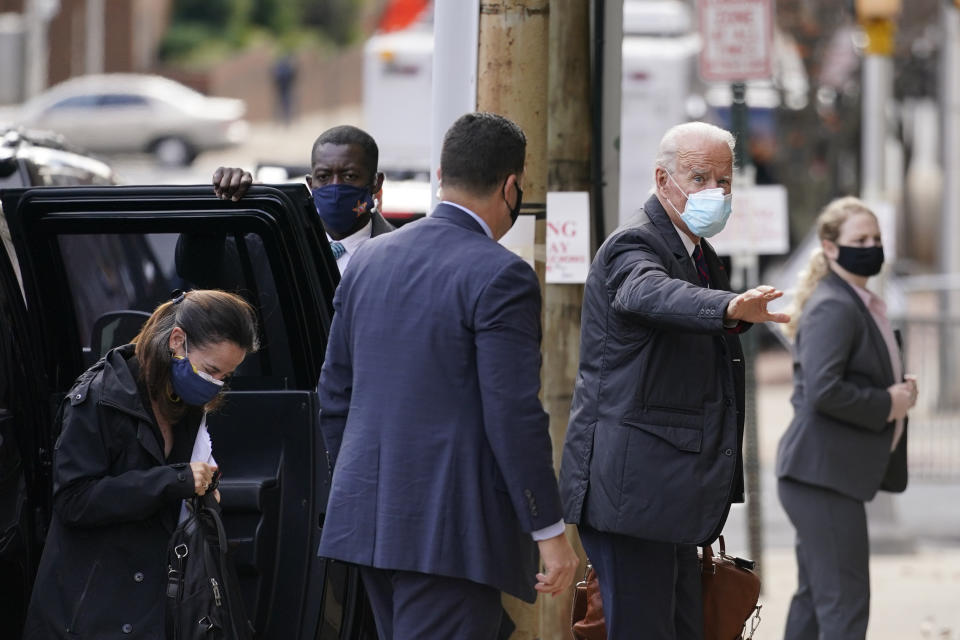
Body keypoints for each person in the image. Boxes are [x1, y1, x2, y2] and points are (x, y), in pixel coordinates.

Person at [316, 112, 579, 640]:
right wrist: (548, 530)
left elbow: (334, 396)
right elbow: (513, 415)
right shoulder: (501, 274)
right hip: (449, 531)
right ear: (511, 186)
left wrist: (364, 487)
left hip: (368, 521)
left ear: (441, 174)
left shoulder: (369, 260)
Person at [558, 121, 790, 639]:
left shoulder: (698, 252)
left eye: (724, 181)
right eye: (700, 177)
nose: (716, 192)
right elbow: (651, 293)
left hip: (670, 498)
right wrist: (730, 306)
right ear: (663, 180)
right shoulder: (633, 245)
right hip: (630, 497)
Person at [23, 289, 259, 639]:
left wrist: (204, 487)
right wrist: (176, 480)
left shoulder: (183, 399)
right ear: (177, 341)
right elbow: (74, 501)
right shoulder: (99, 398)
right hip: (89, 610)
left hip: (155, 603)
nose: (216, 385)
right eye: (211, 371)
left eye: (225, 377)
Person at [775, 196, 916, 640]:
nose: (872, 246)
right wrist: (888, 403)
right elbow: (823, 390)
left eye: (876, 238)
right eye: (860, 239)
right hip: (822, 479)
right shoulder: (835, 305)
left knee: (818, 600)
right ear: (830, 247)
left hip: (824, 477)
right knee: (845, 606)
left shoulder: (855, 299)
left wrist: (898, 392)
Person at [209, 124, 393, 276]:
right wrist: (220, 204)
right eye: (324, 176)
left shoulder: (400, 255)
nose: (335, 187)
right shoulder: (276, 244)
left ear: (376, 183)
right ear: (310, 184)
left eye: (350, 176)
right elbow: (200, 267)